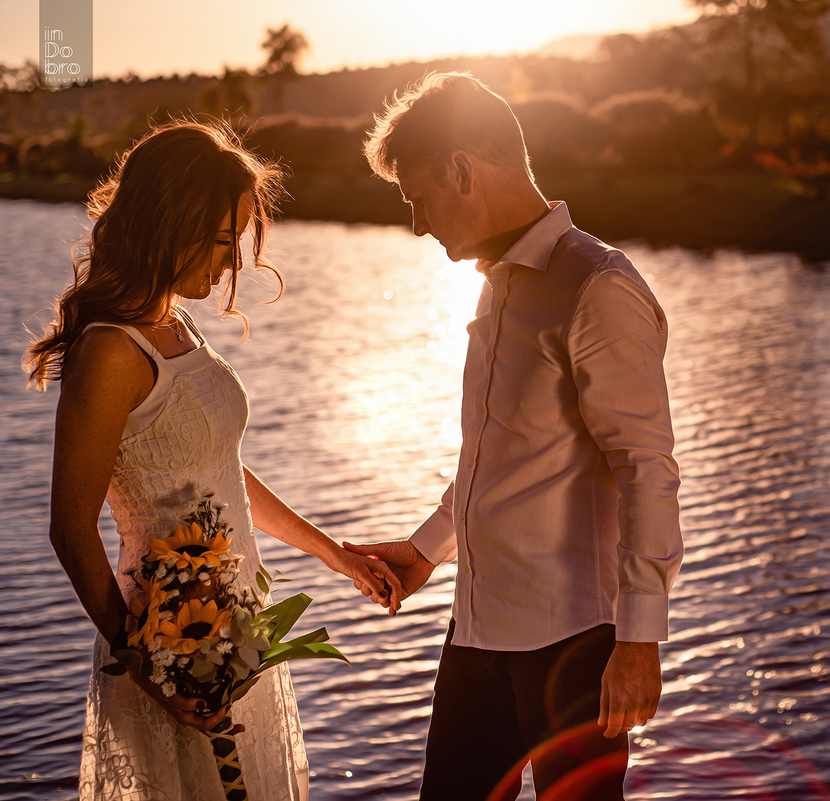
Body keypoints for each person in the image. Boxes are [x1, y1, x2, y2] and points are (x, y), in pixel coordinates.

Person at [25, 121, 401, 801]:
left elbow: (220, 468)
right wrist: (151, 667)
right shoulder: (111, 351)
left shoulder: (177, 324)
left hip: (234, 636)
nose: (232, 264)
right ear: (171, 221)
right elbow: (71, 528)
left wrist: (334, 554)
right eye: (225, 241)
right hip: (170, 648)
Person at [347, 72, 685, 800]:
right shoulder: (493, 285)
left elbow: (646, 470)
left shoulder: (598, 287)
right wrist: (425, 549)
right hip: (476, 634)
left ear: (463, 170)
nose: (416, 223)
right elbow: (494, 455)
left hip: (576, 645)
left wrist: (638, 640)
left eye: (419, 199)